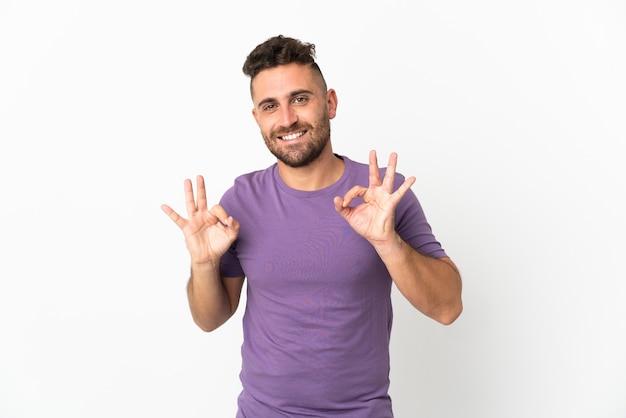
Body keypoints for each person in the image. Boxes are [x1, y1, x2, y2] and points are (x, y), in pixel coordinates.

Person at [161, 35, 463, 418]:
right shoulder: (240, 199)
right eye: (270, 106)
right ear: (257, 118)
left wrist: (388, 243)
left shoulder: (381, 195)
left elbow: (448, 307)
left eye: (300, 99)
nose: (287, 119)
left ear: (330, 103)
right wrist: (203, 264)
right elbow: (209, 319)